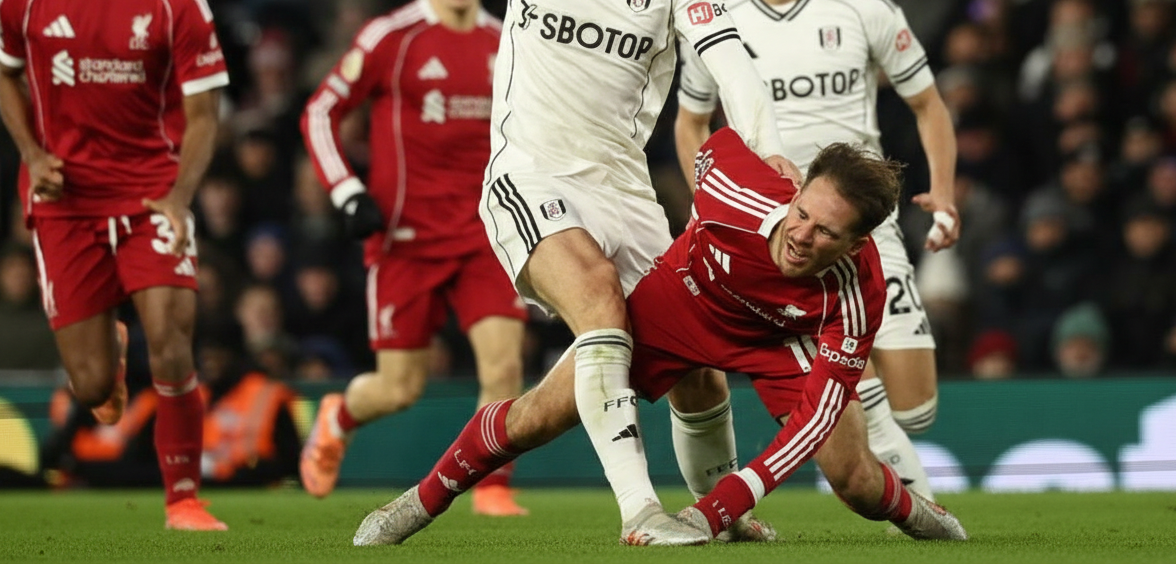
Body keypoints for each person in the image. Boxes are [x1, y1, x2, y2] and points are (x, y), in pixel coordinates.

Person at [417, 0, 795, 544]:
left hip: (622, 190)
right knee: (595, 301)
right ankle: (638, 511)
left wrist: (767, 147)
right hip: (529, 174)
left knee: (698, 367)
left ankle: (716, 512)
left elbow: (730, 66)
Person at [351, 130, 967, 546]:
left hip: (782, 342)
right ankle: (418, 503)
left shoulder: (860, 291)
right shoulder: (734, 189)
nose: (803, 236)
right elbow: (713, 145)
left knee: (856, 480)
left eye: (827, 233)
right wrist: (761, 153)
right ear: (796, 191)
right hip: (683, 303)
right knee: (540, 415)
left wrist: (715, 509)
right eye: (802, 212)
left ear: (858, 245)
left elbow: (807, 426)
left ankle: (924, 516)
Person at [674, 0, 959, 502]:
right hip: (782, 230)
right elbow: (691, 122)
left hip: (865, 224)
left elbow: (929, 105)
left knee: (918, 410)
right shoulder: (716, 21)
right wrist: (714, 198)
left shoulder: (865, 8)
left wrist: (943, 190)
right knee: (849, 383)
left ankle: (868, 411)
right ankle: (890, 473)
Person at [0, 0, 229, 531]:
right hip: (65, 201)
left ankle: (184, 498)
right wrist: (31, 154)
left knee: (173, 339)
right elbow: (7, 75)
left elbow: (205, 113)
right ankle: (108, 357)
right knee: (94, 388)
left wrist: (182, 198)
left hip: (152, 192)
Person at [298, 0, 530, 516]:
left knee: (503, 364)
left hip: (487, 233)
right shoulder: (389, 38)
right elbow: (320, 112)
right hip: (405, 237)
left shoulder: (508, 41)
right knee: (399, 388)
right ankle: (338, 415)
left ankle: (495, 489)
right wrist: (347, 191)